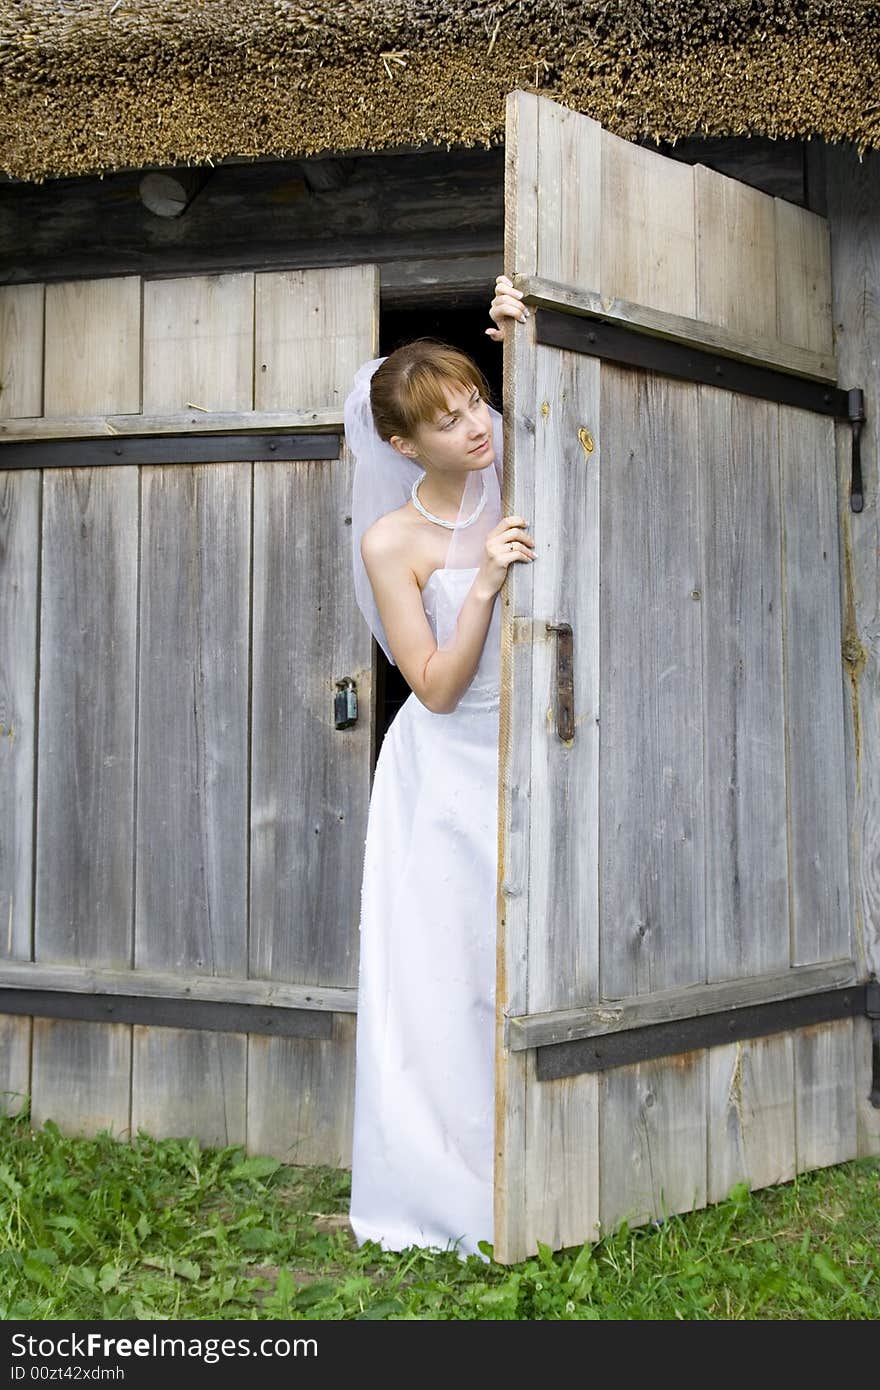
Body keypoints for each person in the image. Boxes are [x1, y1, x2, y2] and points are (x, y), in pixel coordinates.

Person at [344, 275, 532, 1262]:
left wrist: (518, 334)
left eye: (473, 404)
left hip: (539, 744)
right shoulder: (393, 539)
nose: (473, 429)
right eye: (446, 420)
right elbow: (435, 683)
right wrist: (486, 588)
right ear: (402, 446)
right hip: (444, 766)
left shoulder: (523, 460)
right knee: (443, 967)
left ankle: (542, 1160)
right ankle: (441, 1180)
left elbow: (565, 412)